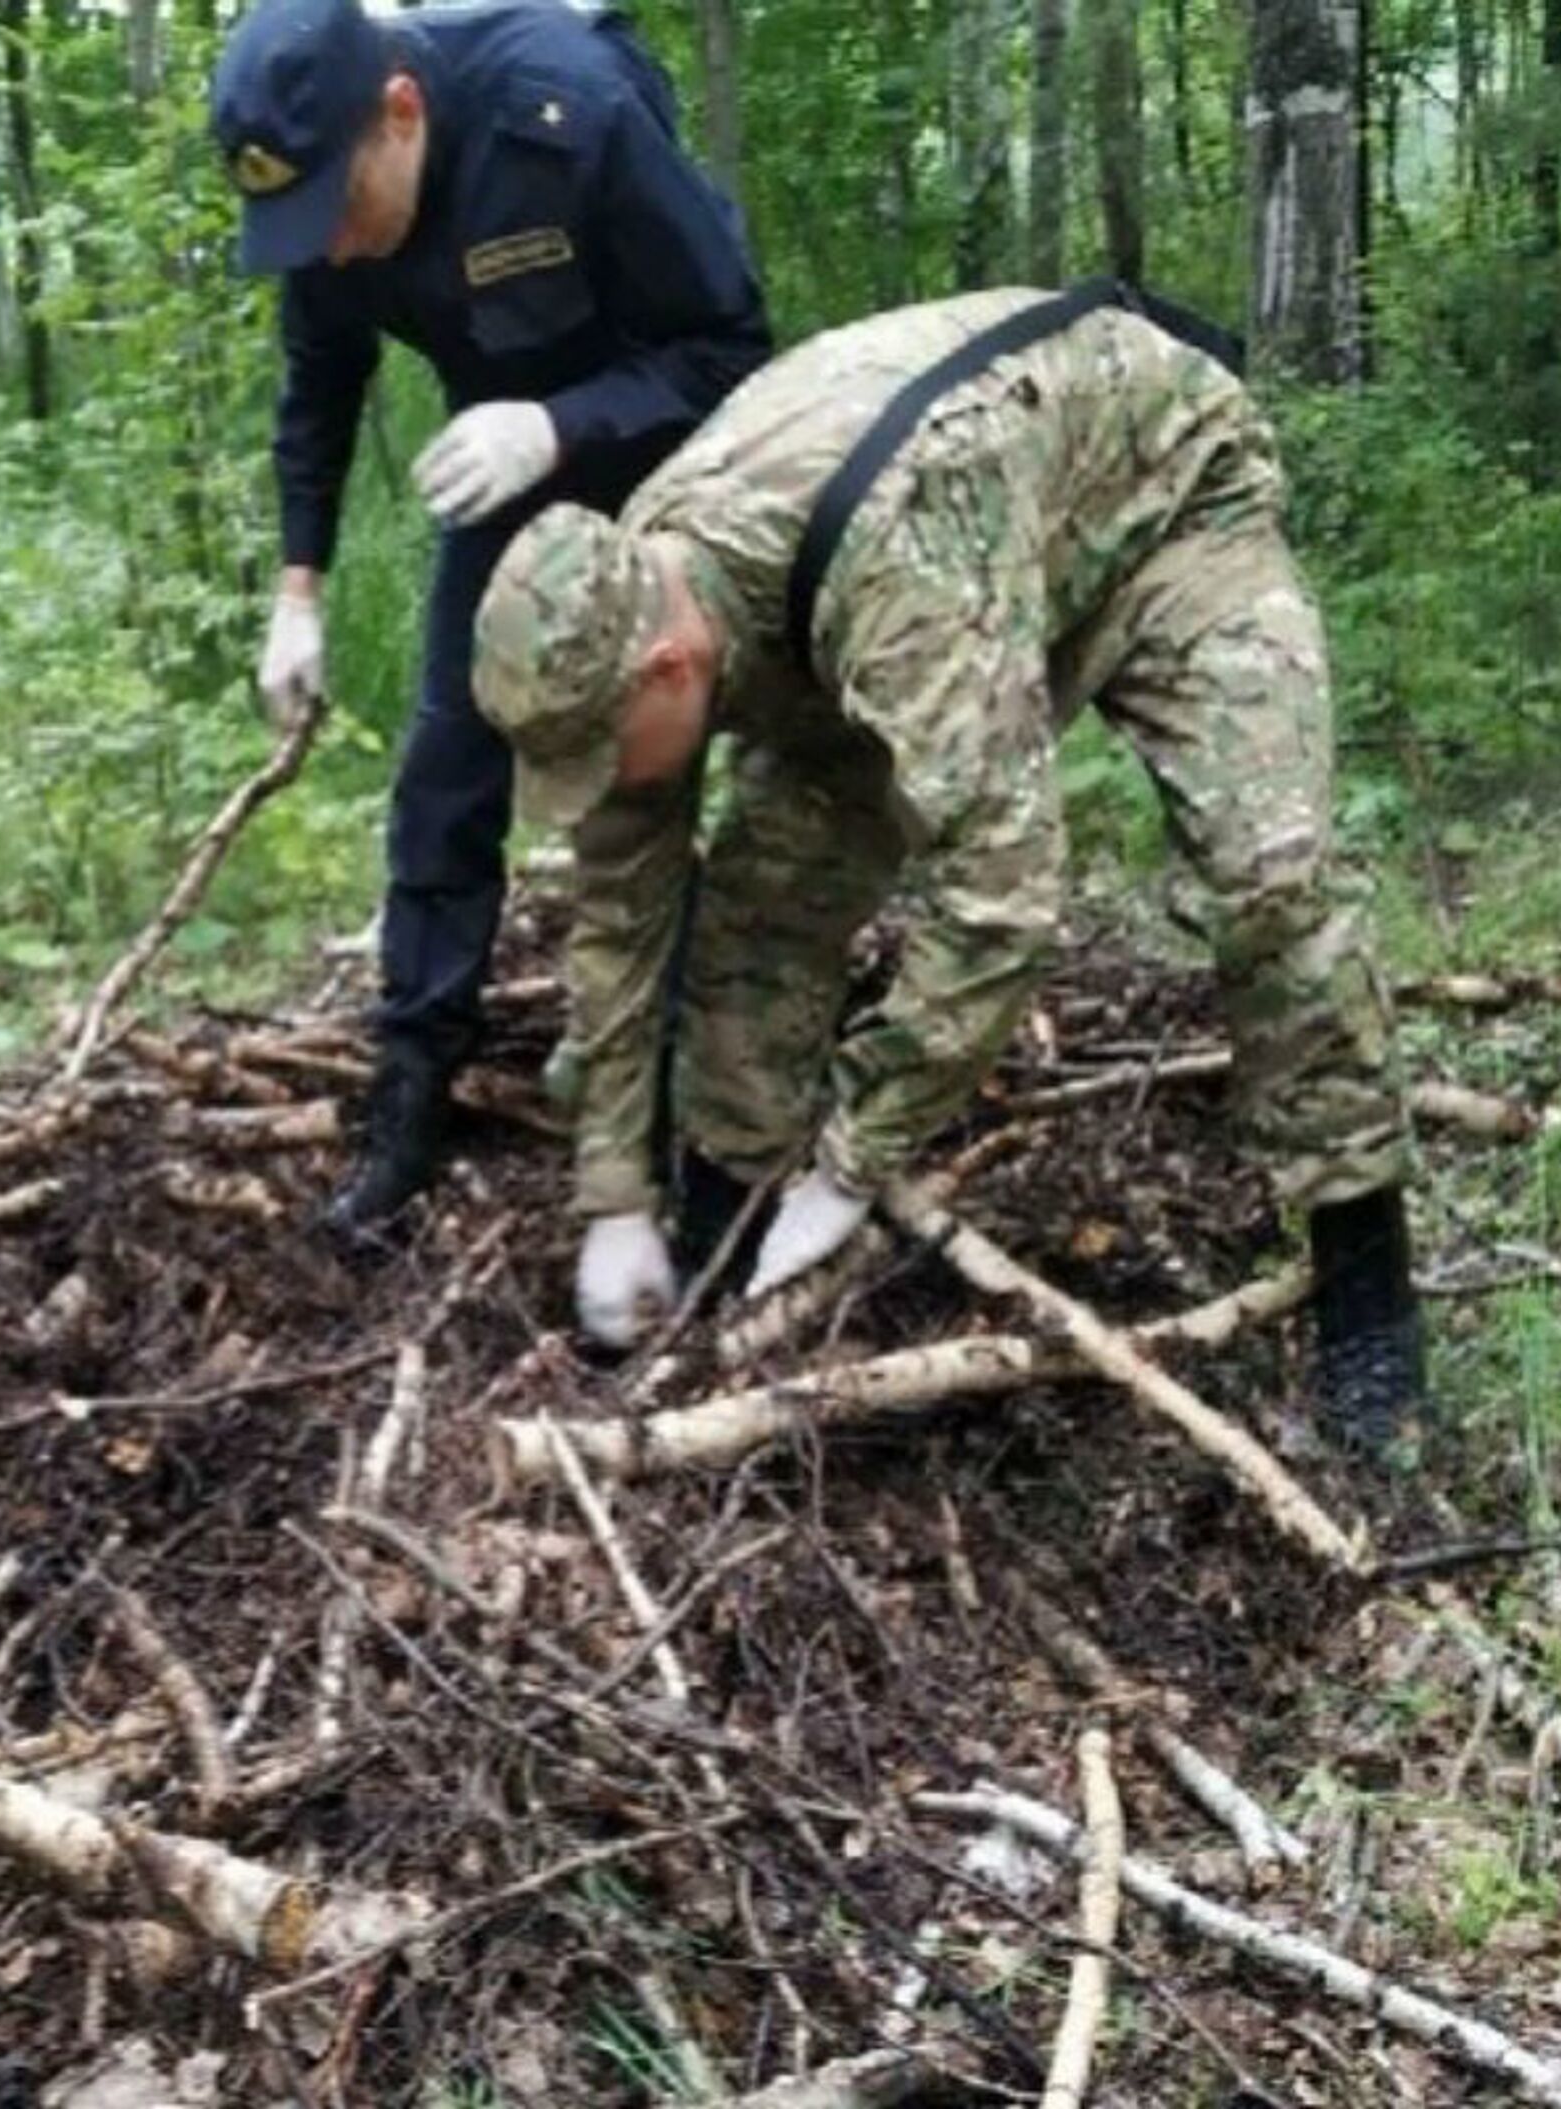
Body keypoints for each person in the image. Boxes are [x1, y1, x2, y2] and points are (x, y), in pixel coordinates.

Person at [471, 282, 1426, 1446]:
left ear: (669, 669)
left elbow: (999, 897)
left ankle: (1366, 1275)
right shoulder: (635, 604)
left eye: (598, 752)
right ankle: (721, 1238)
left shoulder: (895, 564)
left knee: (1269, 870)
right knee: (761, 900)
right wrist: (615, 1191)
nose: (603, 782)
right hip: (925, 581)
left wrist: (850, 1165)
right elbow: (625, 911)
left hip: (1164, 510)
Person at [210, 0, 770, 1233]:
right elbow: (320, 386)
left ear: (400, 114)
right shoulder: (321, 189)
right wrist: (295, 593)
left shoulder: (570, 117)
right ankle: (413, 1089)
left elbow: (732, 345)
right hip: (496, 458)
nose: (337, 253)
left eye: (341, 214)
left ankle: (704, 1078)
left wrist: (560, 426)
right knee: (446, 763)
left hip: (670, 440)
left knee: (664, 752)